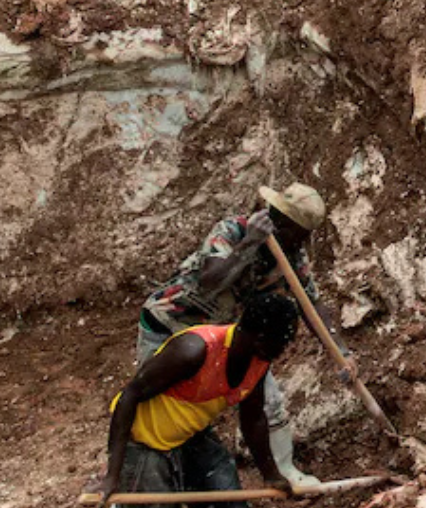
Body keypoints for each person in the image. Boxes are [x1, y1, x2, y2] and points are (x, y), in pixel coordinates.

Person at [137, 184, 328, 492]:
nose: (301, 242)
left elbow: (311, 302)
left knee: (268, 401)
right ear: (279, 221)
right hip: (170, 324)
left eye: (305, 235)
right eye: (297, 233)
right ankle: (138, 479)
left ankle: (283, 471)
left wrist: (339, 350)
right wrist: (250, 243)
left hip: (226, 335)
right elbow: (210, 280)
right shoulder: (233, 231)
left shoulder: (292, 254)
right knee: (155, 402)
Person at [96, 289, 308, 508]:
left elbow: (253, 418)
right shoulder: (194, 350)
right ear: (260, 338)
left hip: (189, 435)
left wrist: (272, 475)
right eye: (281, 344)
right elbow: (130, 396)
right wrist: (113, 475)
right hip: (144, 441)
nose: (283, 351)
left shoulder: (258, 360)